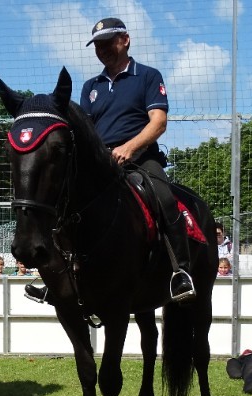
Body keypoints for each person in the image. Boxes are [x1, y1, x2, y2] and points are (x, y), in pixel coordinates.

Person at [83, 17, 193, 302]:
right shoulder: (90, 86)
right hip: (100, 164)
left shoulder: (148, 76)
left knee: (165, 199)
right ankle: (59, 274)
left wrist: (129, 148)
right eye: (97, 46)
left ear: (125, 40)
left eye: (108, 43)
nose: (102, 50)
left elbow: (158, 122)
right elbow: (86, 132)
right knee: (65, 200)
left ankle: (180, 272)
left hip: (141, 159)